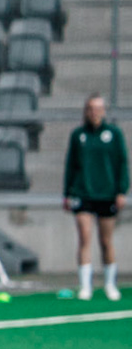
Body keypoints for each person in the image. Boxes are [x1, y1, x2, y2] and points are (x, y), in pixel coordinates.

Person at [64, 94, 130, 301]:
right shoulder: (78, 135)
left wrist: (121, 190)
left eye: (98, 108)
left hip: (107, 194)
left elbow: (122, 164)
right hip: (83, 193)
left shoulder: (114, 134)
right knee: (84, 237)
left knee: (105, 240)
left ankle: (110, 284)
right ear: (86, 110)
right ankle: (86, 286)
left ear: (103, 111)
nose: (94, 112)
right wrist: (67, 193)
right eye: (91, 108)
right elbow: (70, 165)